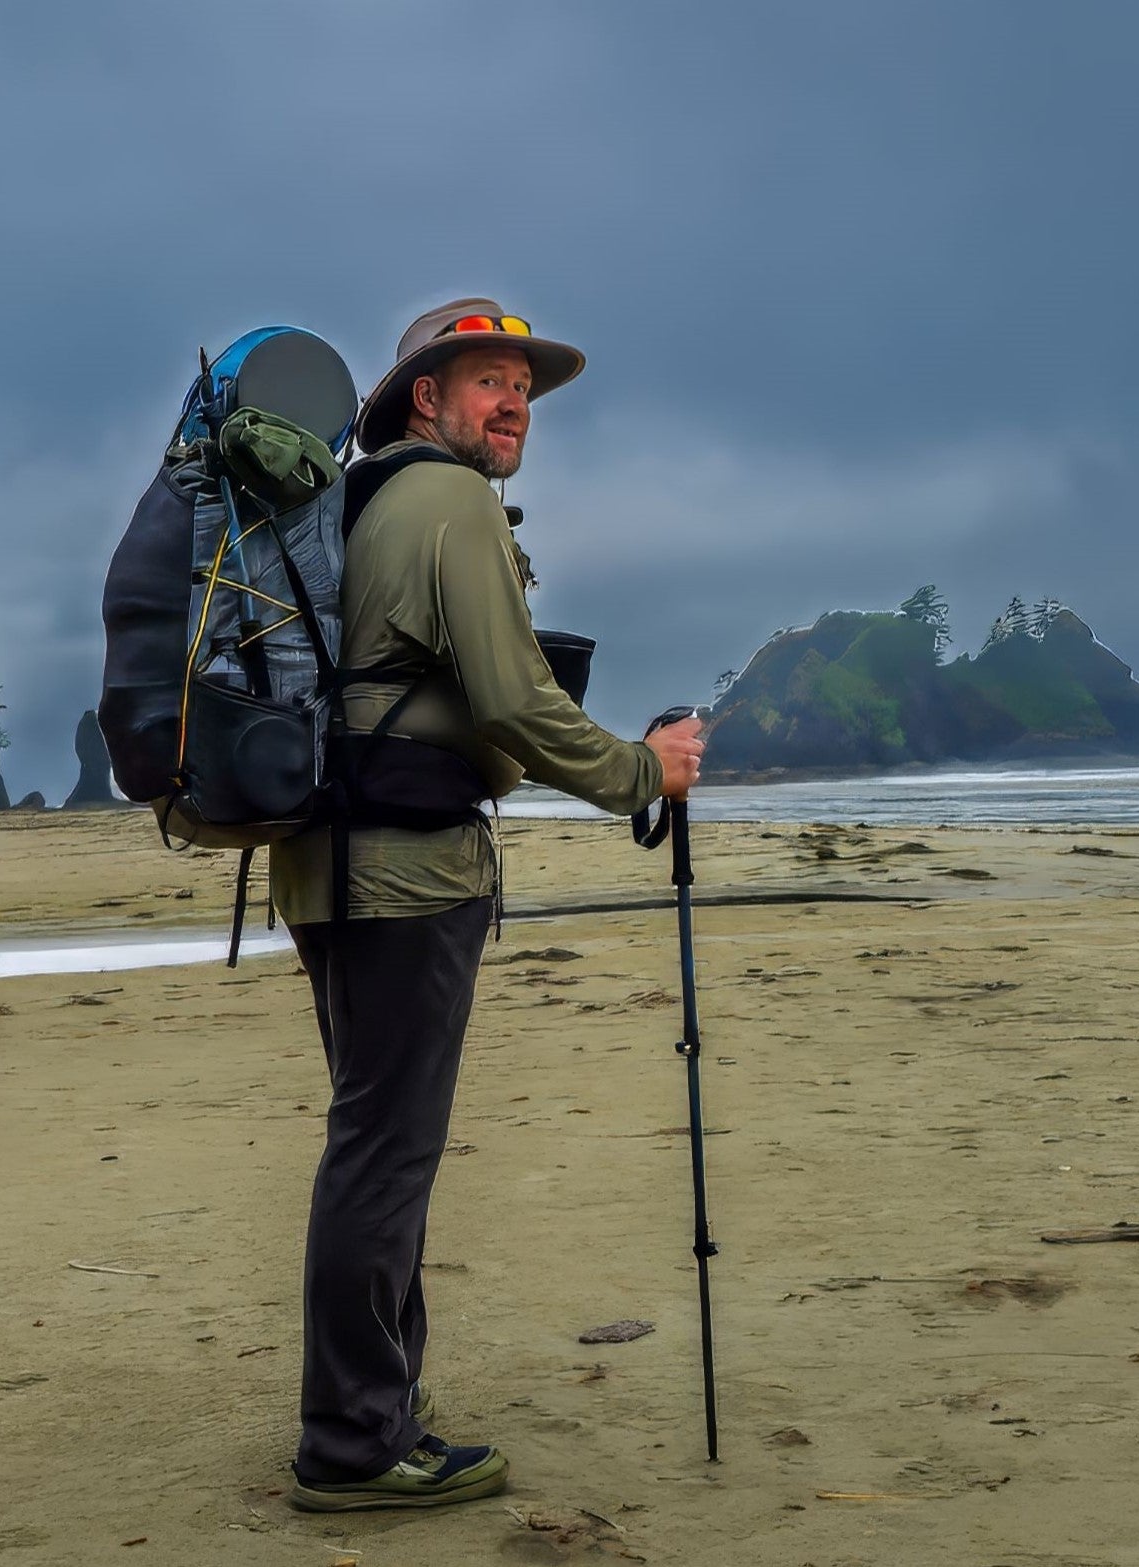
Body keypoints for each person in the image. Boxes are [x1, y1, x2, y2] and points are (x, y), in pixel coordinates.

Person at [271, 299, 706, 1512]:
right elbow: (512, 700)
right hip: (404, 876)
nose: (511, 402)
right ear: (425, 397)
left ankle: (377, 1409)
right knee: (383, 1155)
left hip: (331, 865)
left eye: (522, 385)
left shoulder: (361, 504)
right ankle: (352, 1444)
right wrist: (639, 772)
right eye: (484, 381)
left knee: (372, 1144)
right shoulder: (450, 501)